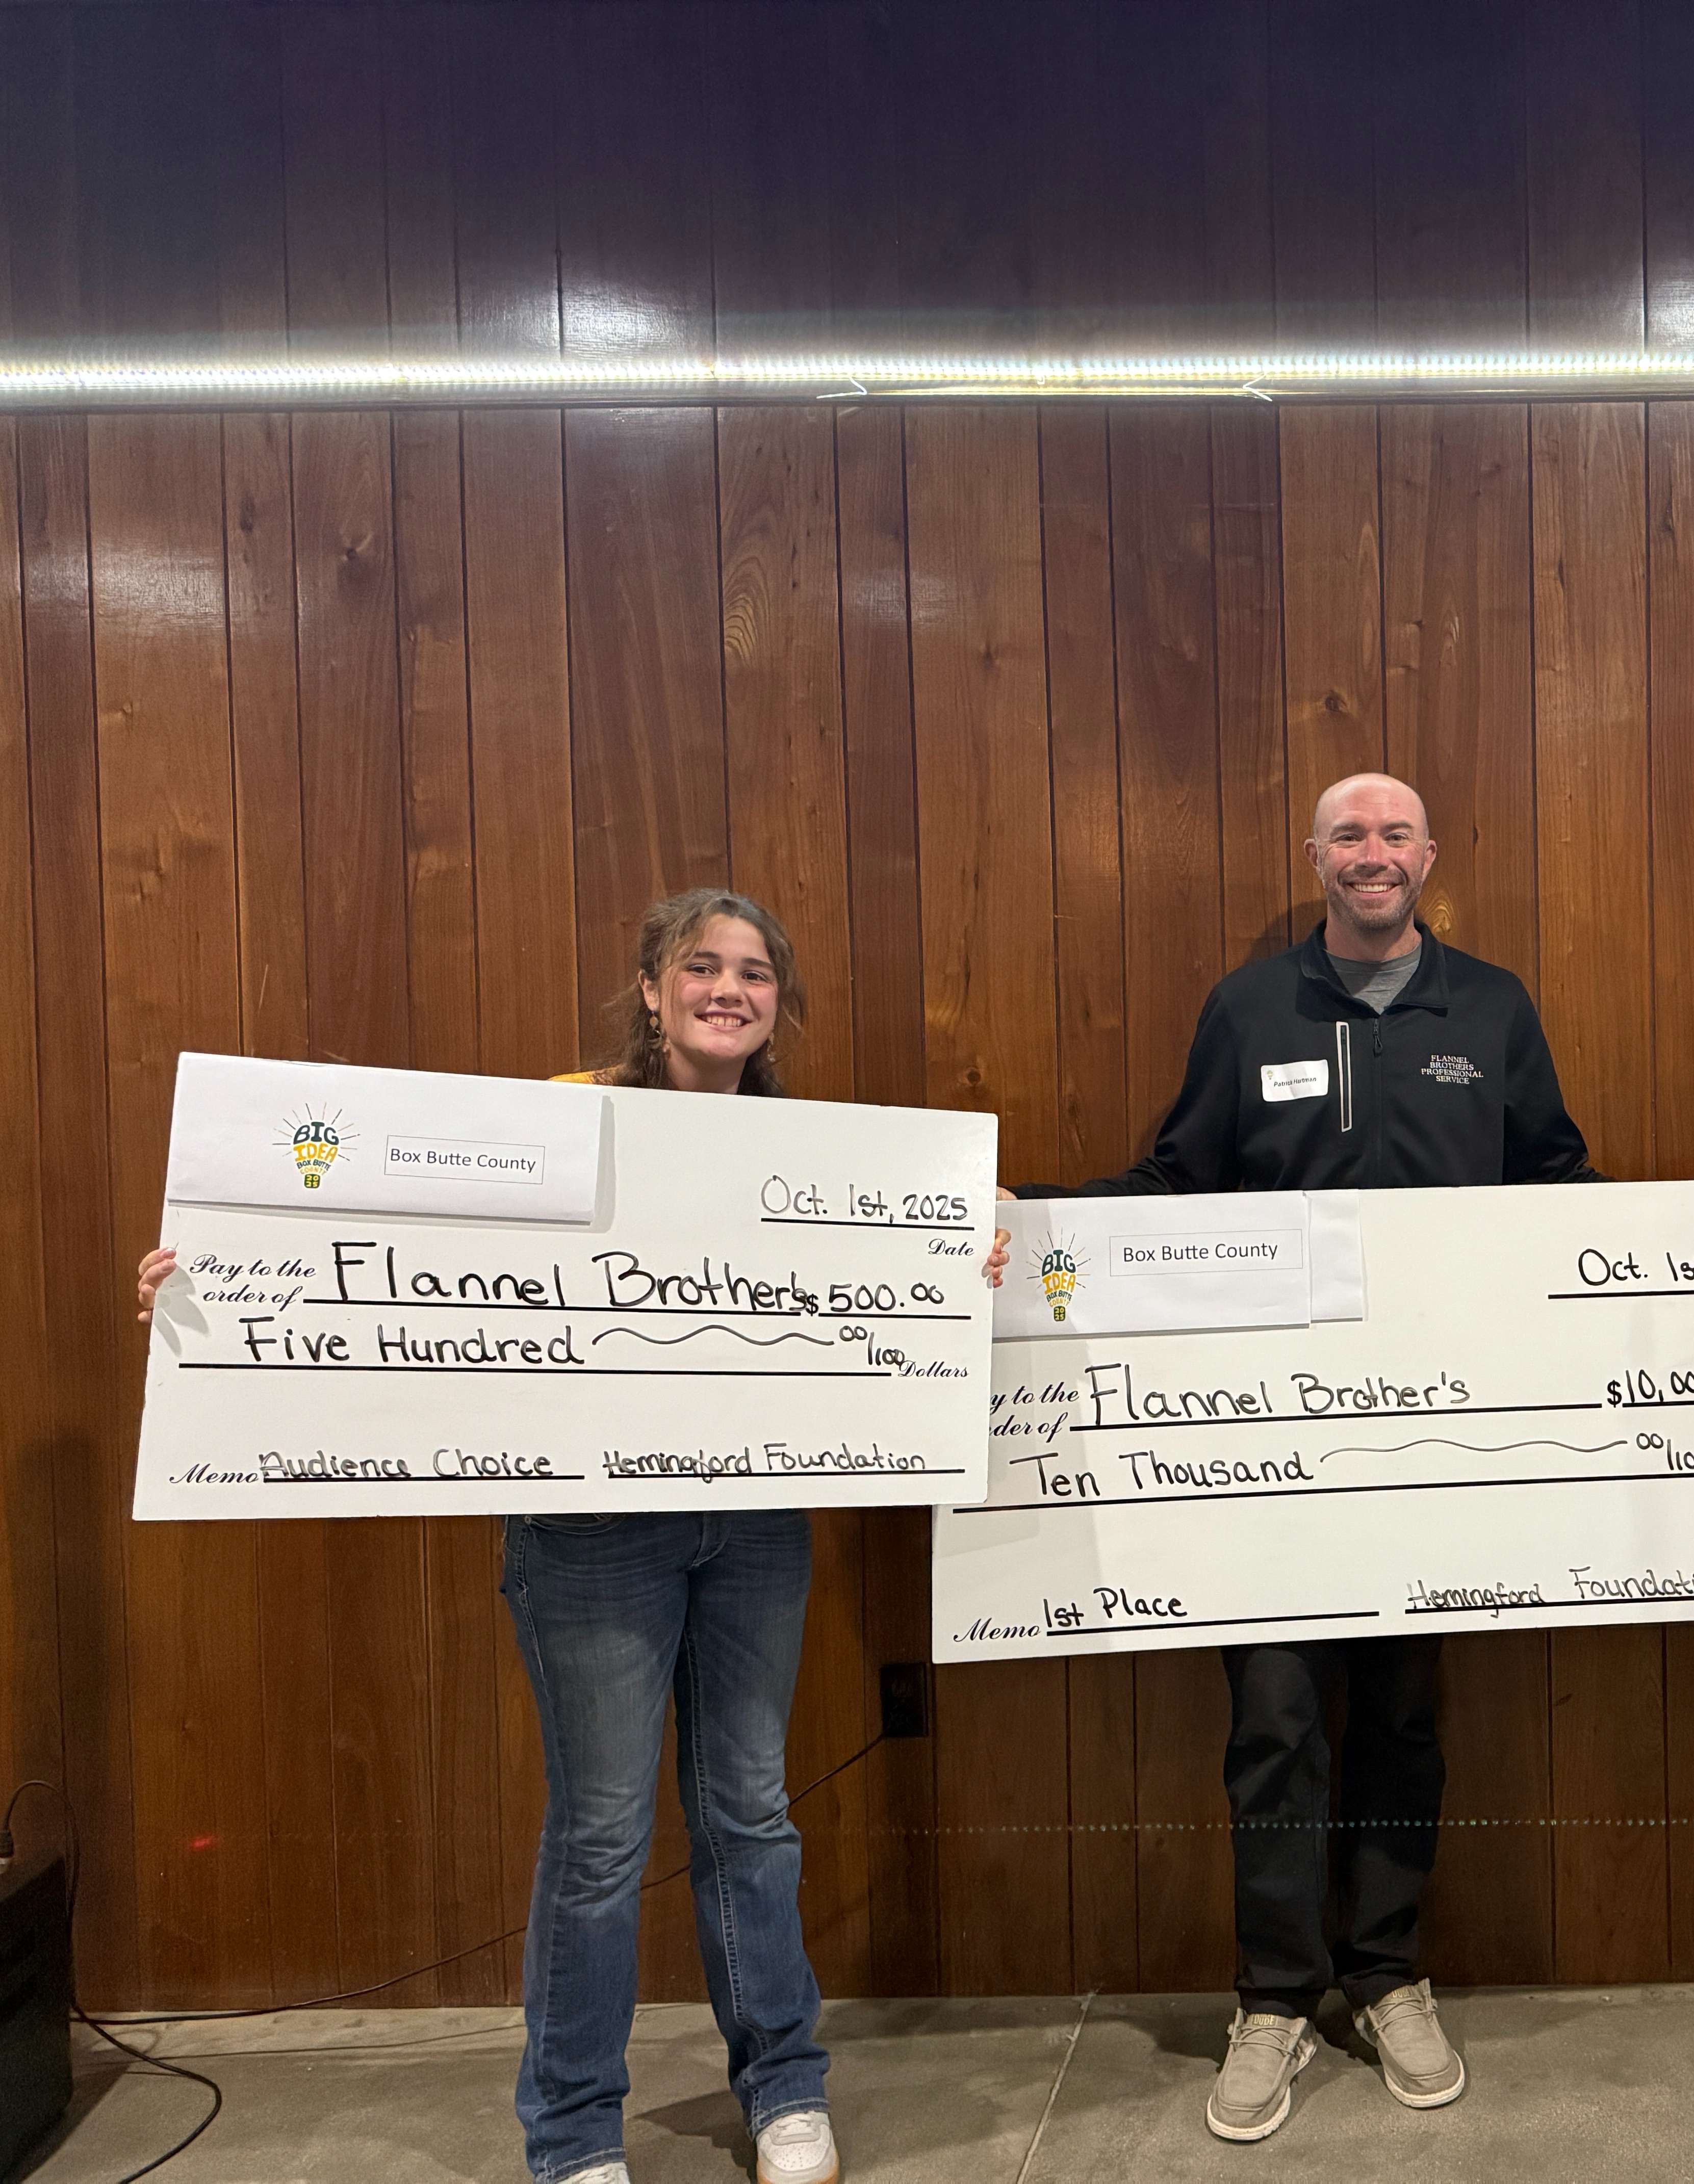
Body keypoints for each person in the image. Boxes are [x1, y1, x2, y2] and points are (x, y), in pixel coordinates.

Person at [140, 888, 1005, 2184]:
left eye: (755, 972)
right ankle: (573, 2130)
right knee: (601, 1834)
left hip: (757, 1518)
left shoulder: (826, 1154)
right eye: (701, 966)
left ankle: (784, 2089)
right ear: (650, 988)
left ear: (780, 1002)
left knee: (752, 1815)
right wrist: (213, 1264)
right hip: (591, 1529)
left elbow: (877, 1300)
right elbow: (386, 1240)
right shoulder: (547, 1120)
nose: (729, 989)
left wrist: (958, 1270)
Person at [1011, 772, 1604, 2144]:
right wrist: (1033, 1216)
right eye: (1349, 834)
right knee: (1275, 1720)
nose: (1373, 853)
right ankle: (1275, 1993)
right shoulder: (1250, 1007)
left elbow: (1558, 1188)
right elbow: (1177, 1184)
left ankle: (1390, 1972)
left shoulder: (1495, 1008)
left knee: (1403, 1717)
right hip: (1268, 1453)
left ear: (1431, 857)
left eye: (1396, 832)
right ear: (1318, 858)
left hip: (1435, 1445)